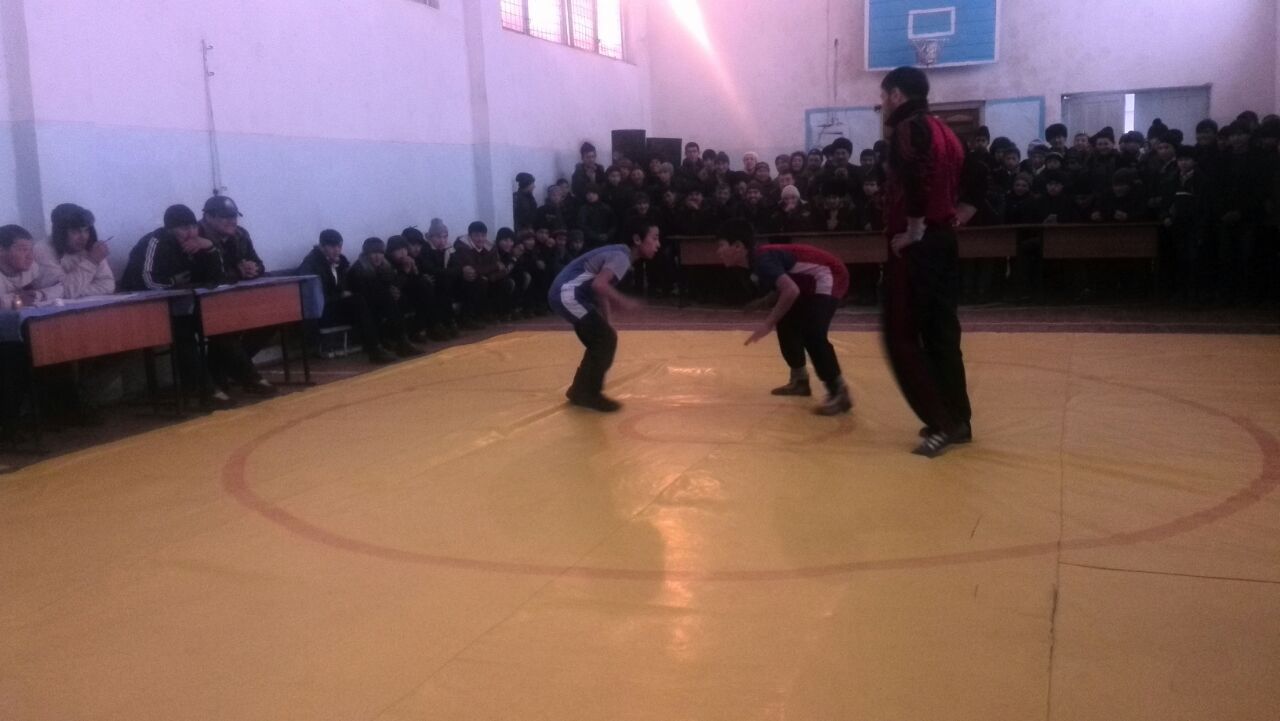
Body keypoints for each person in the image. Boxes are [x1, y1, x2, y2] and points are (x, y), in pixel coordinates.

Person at [878, 66, 972, 457]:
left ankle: (942, 422)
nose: (882, 105)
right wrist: (954, 216)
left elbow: (916, 181)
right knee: (941, 332)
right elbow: (975, 178)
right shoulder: (946, 131)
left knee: (900, 334)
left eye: (883, 97)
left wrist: (915, 231)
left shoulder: (908, 129)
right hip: (944, 240)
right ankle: (958, 419)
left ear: (896, 94)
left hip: (919, 246)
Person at [714, 219, 853, 415]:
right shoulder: (756, 262)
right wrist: (764, 303)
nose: (718, 252)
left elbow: (790, 290)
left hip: (830, 273)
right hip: (809, 282)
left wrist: (767, 324)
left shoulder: (762, 260)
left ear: (737, 246)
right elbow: (786, 285)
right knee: (786, 323)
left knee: (813, 333)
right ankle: (799, 380)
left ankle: (838, 391)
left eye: (721, 245)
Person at [120, 205, 243, 407]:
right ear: (170, 229)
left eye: (193, 227)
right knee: (183, 333)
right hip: (145, 307)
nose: (191, 233)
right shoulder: (155, 241)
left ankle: (247, 377)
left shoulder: (197, 243)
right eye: (184, 228)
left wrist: (210, 248)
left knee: (218, 324)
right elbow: (147, 282)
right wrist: (172, 282)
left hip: (180, 305)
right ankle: (206, 389)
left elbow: (218, 278)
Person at [548, 219, 661, 412]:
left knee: (602, 339)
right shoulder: (621, 257)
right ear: (637, 239)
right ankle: (588, 394)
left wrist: (608, 322)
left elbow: (601, 290)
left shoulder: (620, 255)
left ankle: (580, 391)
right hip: (567, 294)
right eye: (655, 238)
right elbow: (599, 285)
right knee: (604, 340)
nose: (658, 244)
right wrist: (625, 302)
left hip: (567, 293)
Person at [198, 195, 277, 395]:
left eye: (234, 216)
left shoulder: (241, 235)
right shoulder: (196, 236)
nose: (232, 221)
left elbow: (259, 264)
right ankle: (248, 376)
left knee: (271, 319)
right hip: (203, 303)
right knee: (223, 327)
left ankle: (227, 370)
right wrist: (237, 272)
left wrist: (252, 269)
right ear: (208, 217)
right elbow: (203, 275)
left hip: (234, 300)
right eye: (225, 217)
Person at [297, 230, 396, 364]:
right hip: (323, 311)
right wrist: (340, 294)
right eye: (332, 246)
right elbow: (314, 295)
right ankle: (374, 348)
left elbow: (345, 283)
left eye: (339, 246)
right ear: (322, 246)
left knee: (376, 294)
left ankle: (398, 339)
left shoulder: (340, 261)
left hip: (338, 304)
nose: (337, 250)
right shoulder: (311, 264)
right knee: (359, 301)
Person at [345, 237, 422, 358]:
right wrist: (392, 289)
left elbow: (392, 285)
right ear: (367, 254)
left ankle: (403, 340)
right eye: (373, 253)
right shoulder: (359, 269)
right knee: (387, 298)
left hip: (377, 302)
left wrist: (405, 273)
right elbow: (366, 292)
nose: (378, 257)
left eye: (380, 253)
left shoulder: (385, 266)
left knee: (399, 298)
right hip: (360, 305)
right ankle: (379, 347)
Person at [38, 203, 114, 299]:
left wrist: (74, 290)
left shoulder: (91, 247)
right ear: (60, 233)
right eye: (76, 231)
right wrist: (92, 261)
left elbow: (108, 285)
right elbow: (65, 291)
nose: (83, 237)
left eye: (86, 230)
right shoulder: (42, 250)